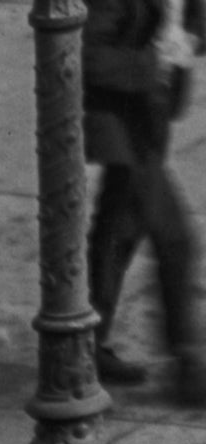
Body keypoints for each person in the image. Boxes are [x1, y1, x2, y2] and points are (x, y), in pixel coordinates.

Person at [82, 0, 206, 402]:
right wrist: (153, 65)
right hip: (120, 123)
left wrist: (186, 40)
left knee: (118, 232)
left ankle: (84, 347)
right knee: (175, 237)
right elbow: (89, 56)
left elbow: (193, 30)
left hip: (147, 119)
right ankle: (187, 364)